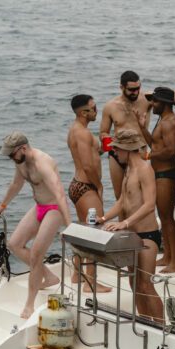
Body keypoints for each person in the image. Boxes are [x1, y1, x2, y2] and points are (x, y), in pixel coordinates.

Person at [0, 131, 72, 319]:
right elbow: (16, 184)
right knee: (14, 244)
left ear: (23, 148)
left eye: (12, 154)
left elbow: (60, 193)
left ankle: (29, 304)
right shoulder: (21, 162)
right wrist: (2, 205)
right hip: (39, 206)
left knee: (36, 254)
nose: (11, 158)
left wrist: (69, 225)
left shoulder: (42, 162)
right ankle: (49, 276)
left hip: (54, 209)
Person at [99, 71, 175, 198]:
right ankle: (123, 219)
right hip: (117, 154)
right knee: (120, 197)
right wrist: (105, 138)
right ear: (121, 87)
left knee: (140, 195)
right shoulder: (110, 106)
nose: (135, 92)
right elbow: (103, 132)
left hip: (140, 153)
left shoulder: (146, 99)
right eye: (131, 89)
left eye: (137, 88)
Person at [99, 130, 164, 323]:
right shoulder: (128, 169)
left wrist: (125, 222)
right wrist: (103, 218)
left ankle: (162, 327)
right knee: (134, 282)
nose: (115, 153)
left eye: (116, 149)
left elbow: (149, 204)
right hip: (131, 235)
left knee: (146, 283)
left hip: (147, 235)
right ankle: (145, 322)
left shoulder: (145, 169)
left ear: (126, 148)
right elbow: (122, 201)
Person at [67, 94, 110, 293]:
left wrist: (103, 148)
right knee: (94, 233)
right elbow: (87, 164)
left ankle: (77, 273)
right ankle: (90, 283)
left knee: (84, 231)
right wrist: (98, 185)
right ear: (84, 112)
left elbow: (89, 156)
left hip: (78, 185)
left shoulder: (76, 130)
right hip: (86, 187)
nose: (96, 110)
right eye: (93, 108)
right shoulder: (83, 134)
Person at [138, 86, 175, 274]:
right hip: (159, 173)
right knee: (163, 218)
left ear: (164, 103)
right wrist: (142, 128)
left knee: (167, 218)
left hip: (167, 174)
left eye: (155, 101)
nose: (152, 104)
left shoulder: (170, 121)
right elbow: (154, 144)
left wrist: (149, 157)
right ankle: (167, 256)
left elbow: (172, 151)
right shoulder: (162, 120)